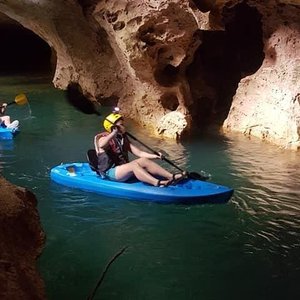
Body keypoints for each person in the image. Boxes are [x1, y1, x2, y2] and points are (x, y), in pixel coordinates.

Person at [94, 112, 185, 187]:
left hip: (121, 170)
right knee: (134, 165)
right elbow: (101, 145)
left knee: (143, 160)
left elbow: (139, 153)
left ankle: (171, 176)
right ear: (113, 128)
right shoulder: (103, 138)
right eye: (121, 125)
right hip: (109, 172)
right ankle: (158, 183)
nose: (124, 127)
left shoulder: (122, 138)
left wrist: (156, 156)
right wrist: (113, 133)